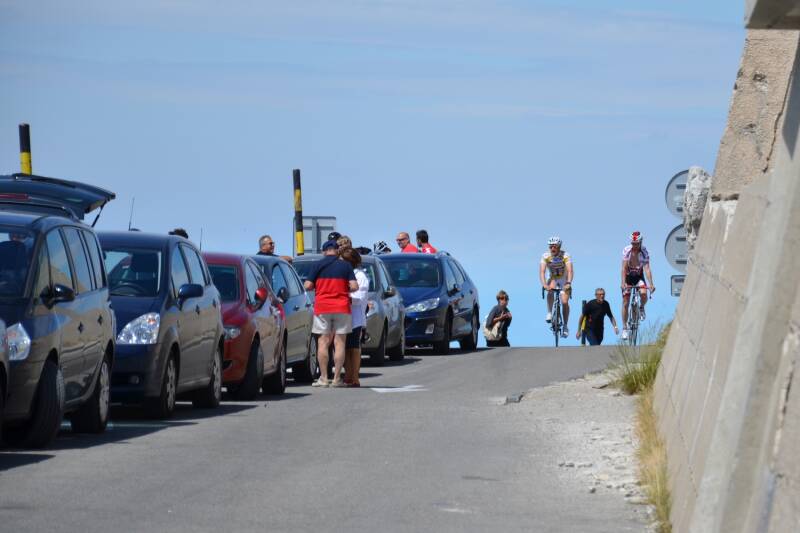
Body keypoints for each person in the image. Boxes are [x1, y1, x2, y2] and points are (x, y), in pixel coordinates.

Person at [303, 240, 358, 387]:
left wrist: (317, 285)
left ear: (324, 251)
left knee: (323, 342)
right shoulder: (345, 265)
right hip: (342, 307)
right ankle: (337, 379)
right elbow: (354, 286)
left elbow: (307, 286)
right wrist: (343, 287)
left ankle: (323, 378)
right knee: (339, 343)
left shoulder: (317, 265)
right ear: (336, 250)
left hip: (322, 307)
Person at [340, 247, 369, 387]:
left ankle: (354, 376)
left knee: (353, 348)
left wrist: (342, 296)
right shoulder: (346, 274)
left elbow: (359, 298)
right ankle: (348, 375)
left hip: (355, 317)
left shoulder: (360, 277)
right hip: (344, 316)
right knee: (344, 347)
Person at [620, 231, 655, 341]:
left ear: (640, 242)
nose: (634, 245)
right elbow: (624, 268)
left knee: (644, 293)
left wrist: (651, 284)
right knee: (625, 302)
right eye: (633, 243)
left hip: (639, 277)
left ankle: (641, 307)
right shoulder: (627, 250)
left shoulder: (644, 252)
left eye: (637, 243)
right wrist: (623, 282)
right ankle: (625, 328)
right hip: (628, 277)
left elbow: (647, 269)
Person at [539, 235, 573, 338]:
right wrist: (544, 284)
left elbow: (570, 271)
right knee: (550, 290)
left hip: (564, 279)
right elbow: (542, 271)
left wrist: (568, 283)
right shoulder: (545, 256)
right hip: (553, 278)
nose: (552, 248)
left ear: (559, 246)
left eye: (554, 246)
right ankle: (549, 312)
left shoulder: (565, 255)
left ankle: (566, 326)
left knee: (564, 302)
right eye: (550, 246)